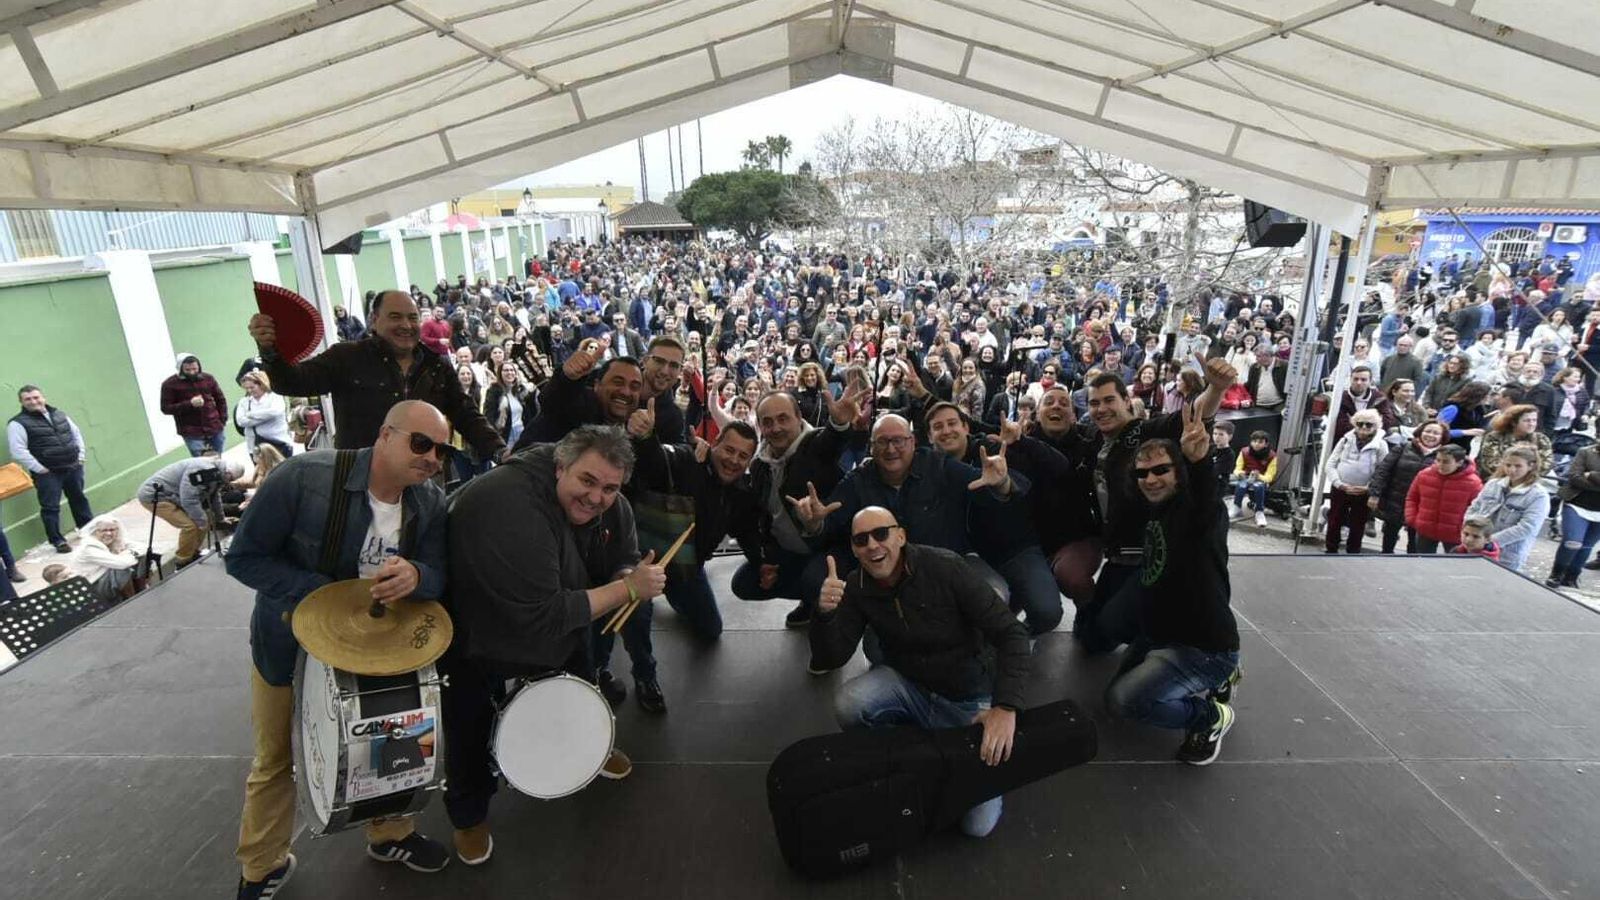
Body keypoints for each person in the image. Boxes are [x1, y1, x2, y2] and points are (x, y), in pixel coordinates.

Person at [224, 401, 455, 899]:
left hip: (381, 645)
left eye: (441, 449)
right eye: (421, 443)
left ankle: (391, 834)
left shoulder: (431, 502)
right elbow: (243, 557)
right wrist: (326, 598)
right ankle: (261, 866)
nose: (432, 457)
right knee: (274, 756)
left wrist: (418, 576)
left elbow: (439, 575)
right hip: (289, 638)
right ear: (385, 435)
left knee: (392, 741)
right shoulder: (303, 477)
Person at [439, 425, 664, 863]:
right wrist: (629, 590)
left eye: (610, 487)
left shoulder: (610, 502)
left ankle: (588, 749)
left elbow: (623, 558)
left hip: (561, 622)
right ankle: (469, 816)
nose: (597, 497)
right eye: (587, 480)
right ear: (560, 467)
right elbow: (541, 615)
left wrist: (623, 575)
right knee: (468, 725)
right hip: (476, 628)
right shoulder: (507, 501)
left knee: (578, 690)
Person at [812, 506, 1030, 837]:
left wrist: (1005, 707)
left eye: (881, 533)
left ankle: (945, 753)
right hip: (911, 684)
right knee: (848, 702)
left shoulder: (945, 567)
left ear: (901, 536)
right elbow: (834, 656)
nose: (872, 545)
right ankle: (912, 754)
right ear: (853, 549)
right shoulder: (857, 586)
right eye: (860, 539)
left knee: (977, 827)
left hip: (968, 698)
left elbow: (1013, 634)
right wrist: (825, 614)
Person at [1104, 403, 1241, 765]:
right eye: (1143, 473)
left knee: (1125, 702)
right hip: (1159, 637)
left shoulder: (1199, 514)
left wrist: (1200, 461)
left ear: (1179, 472)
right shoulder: (1156, 508)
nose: (1150, 479)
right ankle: (1220, 683)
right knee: (1110, 695)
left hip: (1202, 648)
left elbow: (1206, 501)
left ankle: (1210, 717)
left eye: (1162, 470)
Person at [1073, 357, 1236, 654]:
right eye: (1094, 403)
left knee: (1116, 626)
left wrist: (1215, 389)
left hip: (1149, 559)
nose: (1101, 409)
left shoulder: (1146, 431)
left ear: (1127, 400)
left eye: (1109, 400)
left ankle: (1163, 638)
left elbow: (1191, 416)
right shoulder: (1095, 440)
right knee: (1090, 639)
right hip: (1117, 556)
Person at [249, 289, 505, 458]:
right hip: (361, 486)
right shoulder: (346, 357)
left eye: (412, 318)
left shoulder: (436, 365)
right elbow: (291, 383)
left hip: (423, 482)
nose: (406, 325)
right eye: (395, 317)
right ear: (374, 320)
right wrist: (269, 350)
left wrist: (500, 452)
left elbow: (466, 415)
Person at [621, 422, 764, 707]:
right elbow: (656, 461)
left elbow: (746, 531)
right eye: (729, 449)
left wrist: (762, 563)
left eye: (743, 456)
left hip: (687, 568)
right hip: (643, 566)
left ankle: (675, 596)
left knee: (711, 630)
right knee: (635, 614)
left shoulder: (741, 491)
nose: (733, 460)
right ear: (714, 442)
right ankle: (644, 674)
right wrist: (648, 436)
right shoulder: (689, 460)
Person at [926, 402, 1067, 637]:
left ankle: (1015, 631)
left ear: (966, 427)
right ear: (930, 436)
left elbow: (1024, 483)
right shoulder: (928, 465)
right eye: (938, 427)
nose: (946, 430)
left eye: (952, 423)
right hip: (967, 556)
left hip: (1015, 548)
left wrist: (1003, 483)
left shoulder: (993, 449)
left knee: (1047, 612)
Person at [734, 387, 866, 627]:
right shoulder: (759, 466)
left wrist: (837, 423)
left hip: (830, 551)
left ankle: (833, 607)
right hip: (789, 551)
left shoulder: (814, 447)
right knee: (744, 582)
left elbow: (830, 441)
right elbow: (759, 519)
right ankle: (810, 598)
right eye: (768, 422)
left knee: (814, 581)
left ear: (799, 417)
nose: (776, 428)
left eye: (783, 418)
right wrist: (762, 559)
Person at [7, 384, 93, 553]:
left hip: (73, 467)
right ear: (22, 402)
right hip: (48, 473)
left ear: (43, 398)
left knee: (79, 499)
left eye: (36, 397)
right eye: (28, 399)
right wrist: (39, 468)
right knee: (51, 508)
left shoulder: (59, 414)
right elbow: (18, 450)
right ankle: (57, 540)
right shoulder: (17, 424)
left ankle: (89, 530)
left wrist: (80, 457)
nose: (33, 401)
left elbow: (76, 434)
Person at [137, 455, 245, 568]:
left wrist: (220, 518)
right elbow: (188, 499)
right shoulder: (201, 470)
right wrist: (201, 521)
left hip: (173, 495)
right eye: (231, 479)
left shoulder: (217, 474)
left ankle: (193, 553)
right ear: (227, 472)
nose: (230, 482)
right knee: (189, 526)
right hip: (155, 496)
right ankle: (182, 561)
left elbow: (214, 496)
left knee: (204, 519)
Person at [1464, 445, 1550, 573]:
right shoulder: (1493, 484)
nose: (1512, 470)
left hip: (1508, 554)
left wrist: (1490, 541)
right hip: (1475, 545)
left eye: (1518, 466)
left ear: (1531, 466)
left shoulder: (1538, 495)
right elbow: (1475, 507)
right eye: (1508, 465)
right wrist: (1469, 531)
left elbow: (1527, 527)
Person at [1367, 420, 1446, 554]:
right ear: (1420, 432)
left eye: (1436, 433)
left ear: (1442, 437)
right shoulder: (1404, 447)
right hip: (1395, 500)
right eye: (1428, 431)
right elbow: (1383, 470)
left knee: (1414, 542)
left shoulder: (1444, 455)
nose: (1430, 435)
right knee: (1389, 538)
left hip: (1422, 506)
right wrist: (1375, 493)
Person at [1324, 409, 1388, 554]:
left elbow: (1382, 470)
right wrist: (1338, 483)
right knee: (1335, 519)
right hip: (1341, 488)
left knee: (1358, 523)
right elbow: (1330, 464)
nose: (1364, 427)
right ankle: (1330, 548)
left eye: (1369, 424)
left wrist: (1368, 488)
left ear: (1376, 426)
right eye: (1360, 424)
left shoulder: (1381, 445)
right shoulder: (1345, 440)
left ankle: (1353, 551)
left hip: (1363, 491)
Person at [1550, 440, 1600, 587]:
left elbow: (1583, 477)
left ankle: (1572, 576)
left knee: (1587, 546)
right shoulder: (1586, 451)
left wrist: (1591, 474)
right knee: (1572, 541)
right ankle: (1556, 574)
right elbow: (1575, 478)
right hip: (1577, 503)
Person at [161, 353, 230, 456]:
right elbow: (166, 408)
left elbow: (220, 399)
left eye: (195, 369)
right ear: (180, 368)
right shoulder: (170, 384)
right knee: (201, 462)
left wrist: (222, 420)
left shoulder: (208, 379)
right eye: (187, 370)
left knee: (218, 458)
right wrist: (189, 404)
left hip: (214, 426)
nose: (192, 372)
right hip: (191, 431)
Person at [69, 514, 140, 603]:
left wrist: (130, 553)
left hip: (103, 580)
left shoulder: (113, 540)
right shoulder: (89, 547)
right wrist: (132, 553)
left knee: (141, 559)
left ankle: (143, 592)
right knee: (121, 569)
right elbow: (122, 564)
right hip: (92, 587)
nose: (108, 533)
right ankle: (133, 600)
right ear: (96, 532)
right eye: (104, 530)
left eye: (112, 530)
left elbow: (141, 547)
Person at [1476, 404, 1553, 478]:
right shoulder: (1495, 437)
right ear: (1513, 423)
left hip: (1530, 480)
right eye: (1527, 420)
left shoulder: (1541, 439)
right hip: (1497, 479)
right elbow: (1491, 463)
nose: (1531, 424)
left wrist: (1524, 477)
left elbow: (1546, 464)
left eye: (1534, 420)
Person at [234, 370, 293, 459]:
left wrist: (250, 414)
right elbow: (241, 421)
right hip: (256, 447)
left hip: (279, 444)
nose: (249, 391)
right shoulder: (244, 402)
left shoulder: (275, 397)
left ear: (261, 384)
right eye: (246, 388)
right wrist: (266, 416)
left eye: (252, 387)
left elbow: (275, 412)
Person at [1229, 430, 1278, 527]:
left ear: (1266, 444)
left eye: (1260, 442)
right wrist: (1240, 473)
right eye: (1254, 441)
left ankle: (1259, 511)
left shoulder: (1272, 456)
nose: (1256, 444)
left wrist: (1259, 476)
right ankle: (1236, 507)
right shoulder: (1244, 452)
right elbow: (1237, 468)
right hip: (1246, 477)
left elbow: (1270, 476)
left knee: (1258, 486)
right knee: (1241, 485)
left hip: (1261, 479)